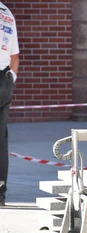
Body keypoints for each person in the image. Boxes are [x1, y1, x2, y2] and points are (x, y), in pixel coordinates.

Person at [0, 1, 19, 207]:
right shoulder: (6, 13)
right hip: (4, 79)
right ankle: (0, 192)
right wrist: (10, 78)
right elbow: (15, 55)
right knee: (1, 137)